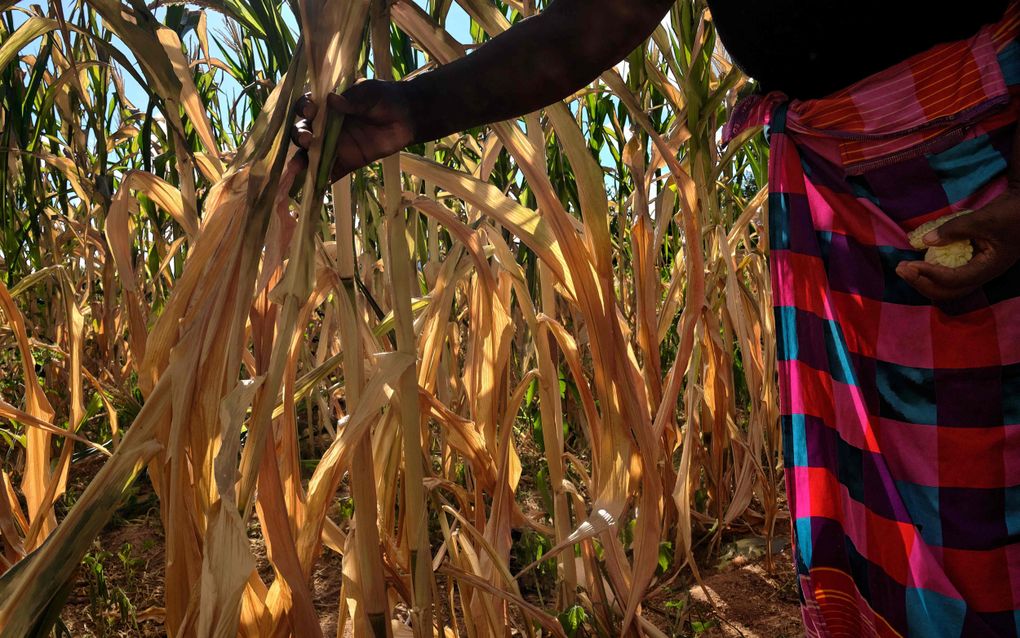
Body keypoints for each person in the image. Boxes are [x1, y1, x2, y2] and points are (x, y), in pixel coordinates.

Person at [293, 2, 1020, 635]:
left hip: (984, 175)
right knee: (902, 533)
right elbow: (602, 16)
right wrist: (418, 109)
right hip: (847, 209)